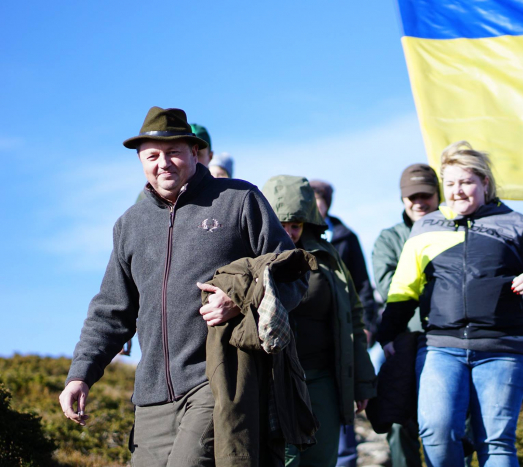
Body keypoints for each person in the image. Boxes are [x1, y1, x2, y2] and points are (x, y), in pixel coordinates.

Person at [58, 107, 307, 467]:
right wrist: (80, 375)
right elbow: (111, 311)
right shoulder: (129, 225)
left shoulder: (239, 200)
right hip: (151, 397)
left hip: (219, 380)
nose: (164, 163)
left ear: (195, 152)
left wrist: (242, 301)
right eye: (152, 155)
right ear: (141, 160)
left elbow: (294, 273)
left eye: (174, 152)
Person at [376, 141, 523, 467]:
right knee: (436, 431)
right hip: (441, 348)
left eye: (466, 182)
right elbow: (403, 288)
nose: (457, 191)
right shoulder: (425, 227)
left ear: (485, 183)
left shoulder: (516, 224)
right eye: (449, 184)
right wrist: (387, 333)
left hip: (504, 348)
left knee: (494, 441)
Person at [261, 175, 377, 467]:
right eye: (281, 225)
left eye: (296, 225)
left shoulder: (328, 258)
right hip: (273, 383)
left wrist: (362, 382)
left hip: (322, 380)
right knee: (282, 460)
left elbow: (353, 317)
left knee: (322, 460)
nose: (288, 233)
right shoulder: (249, 260)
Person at [371, 163, 440, 467]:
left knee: (453, 425)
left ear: (438, 195)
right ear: (402, 200)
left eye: (425, 194)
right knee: (400, 422)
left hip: (447, 341)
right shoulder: (389, 239)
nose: (419, 202)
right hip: (402, 343)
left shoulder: (456, 232)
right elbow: (389, 287)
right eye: (412, 196)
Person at [309, 179, 376, 467]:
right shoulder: (285, 237)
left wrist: (367, 327)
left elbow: (362, 286)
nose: (315, 211)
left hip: (343, 340)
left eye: (319, 205)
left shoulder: (346, 238)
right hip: (312, 344)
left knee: (341, 418)